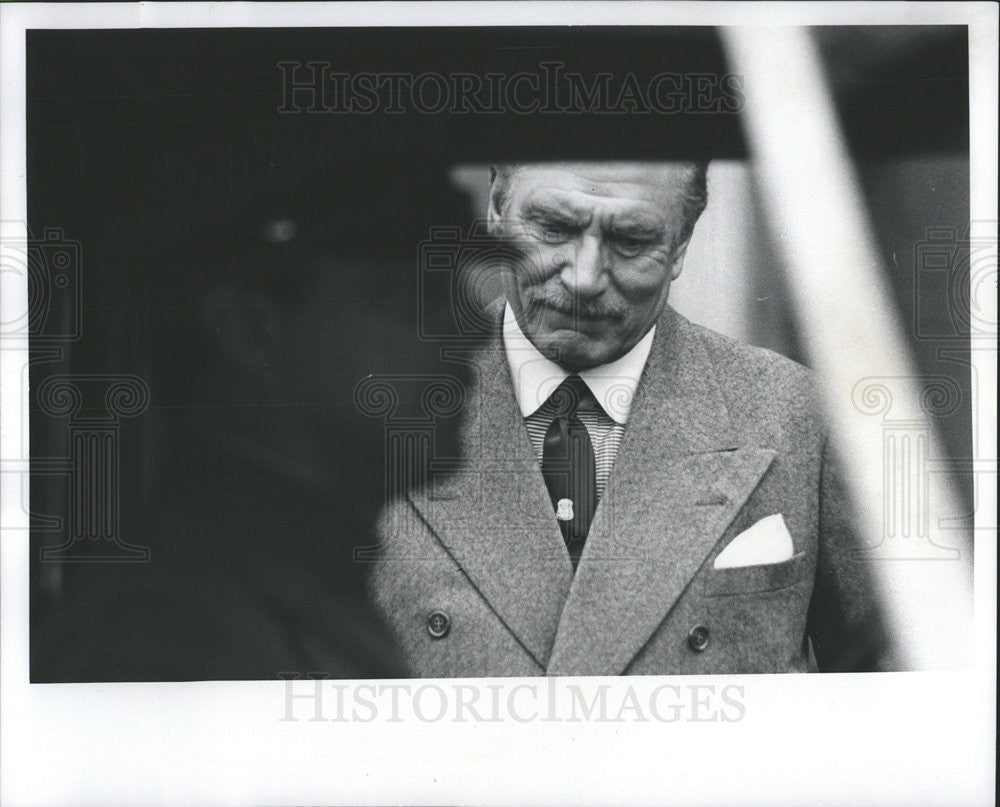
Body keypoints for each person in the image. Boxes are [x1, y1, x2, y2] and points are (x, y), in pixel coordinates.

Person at [368, 160, 898, 676]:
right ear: (495, 208)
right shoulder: (382, 408)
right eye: (554, 228)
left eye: (632, 241)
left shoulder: (797, 413)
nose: (584, 278)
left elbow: (893, 685)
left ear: (682, 246)